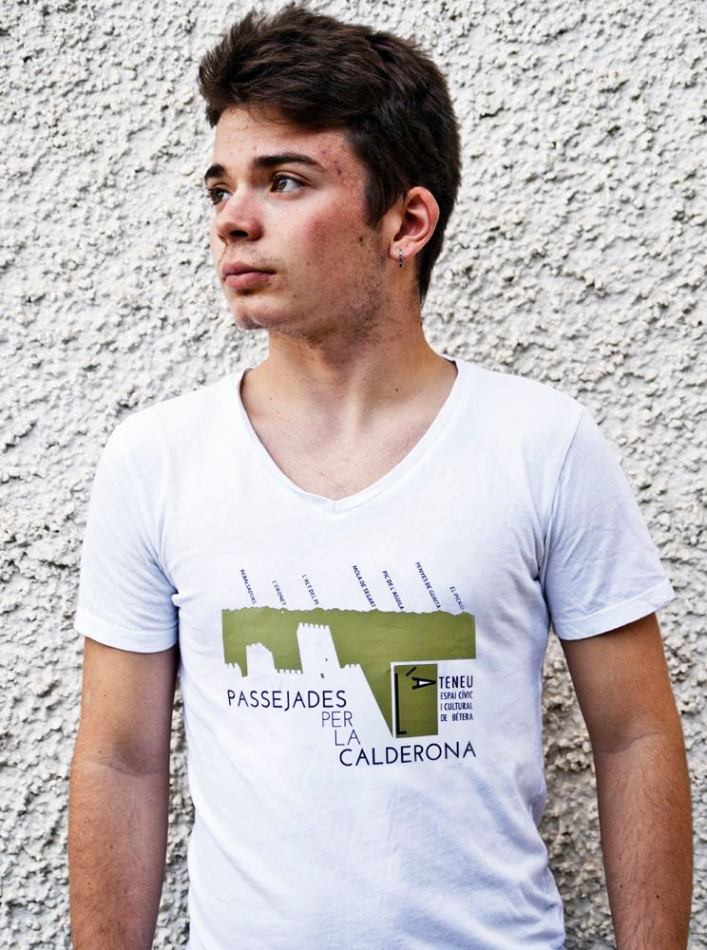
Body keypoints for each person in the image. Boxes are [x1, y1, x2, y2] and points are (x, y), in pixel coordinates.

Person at [68, 6, 692, 948]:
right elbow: (120, 761)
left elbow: (635, 736)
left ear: (406, 222)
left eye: (284, 181)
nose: (233, 219)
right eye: (221, 187)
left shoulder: (540, 444)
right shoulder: (156, 459)